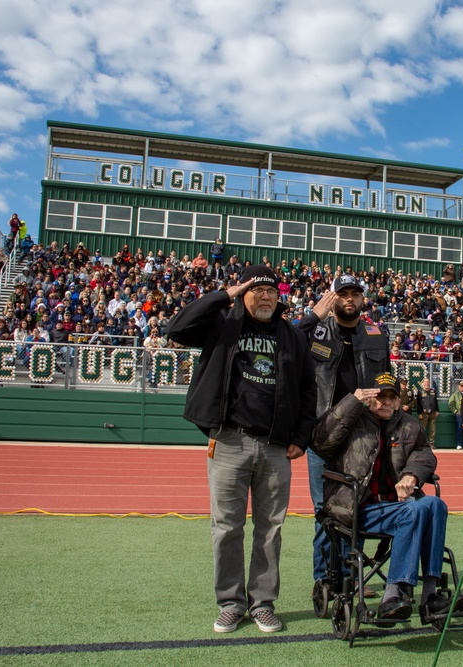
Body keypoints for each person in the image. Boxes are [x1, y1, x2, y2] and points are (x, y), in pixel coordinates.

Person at [165, 264, 317, 634]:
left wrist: (300, 438)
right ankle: (231, 603)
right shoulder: (223, 324)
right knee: (226, 528)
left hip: (276, 446)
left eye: (272, 291)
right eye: (257, 290)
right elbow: (177, 328)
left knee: (270, 529)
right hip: (230, 440)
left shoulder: (292, 336)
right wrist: (224, 295)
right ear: (244, 292)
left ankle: (262, 603)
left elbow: (308, 390)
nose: (266, 296)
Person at [311, 372, 460, 622]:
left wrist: (412, 475)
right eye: (381, 397)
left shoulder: (408, 424)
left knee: (435, 503)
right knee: (412, 511)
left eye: (392, 397)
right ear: (369, 399)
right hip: (357, 505)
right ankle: (392, 594)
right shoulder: (353, 420)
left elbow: (424, 453)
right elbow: (320, 442)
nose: (387, 403)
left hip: (396, 507)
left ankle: (430, 595)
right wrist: (351, 403)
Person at [296, 274, 390, 598]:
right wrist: (313, 317)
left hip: (361, 435)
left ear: (363, 299)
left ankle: (350, 580)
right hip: (323, 433)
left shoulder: (377, 334)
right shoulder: (316, 331)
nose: (349, 299)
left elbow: (387, 381)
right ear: (333, 298)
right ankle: (324, 580)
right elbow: (287, 343)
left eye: (355, 294)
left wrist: (387, 399)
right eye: (343, 293)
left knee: (356, 508)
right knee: (325, 510)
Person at [416, 377, 439, 444]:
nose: (427, 384)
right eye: (425, 382)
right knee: (422, 429)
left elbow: (435, 401)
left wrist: (437, 410)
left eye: (428, 382)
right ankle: (422, 443)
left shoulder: (433, 391)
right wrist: (419, 413)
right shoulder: (420, 392)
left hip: (433, 412)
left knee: (433, 429)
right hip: (424, 413)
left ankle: (431, 443)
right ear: (422, 383)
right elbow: (418, 403)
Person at [448, 379, 463, 450]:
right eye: (461, 386)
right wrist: (455, 411)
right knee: (459, 429)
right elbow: (450, 403)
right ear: (459, 386)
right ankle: (458, 443)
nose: (462, 388)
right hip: (459, 414)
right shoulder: (455, 394)